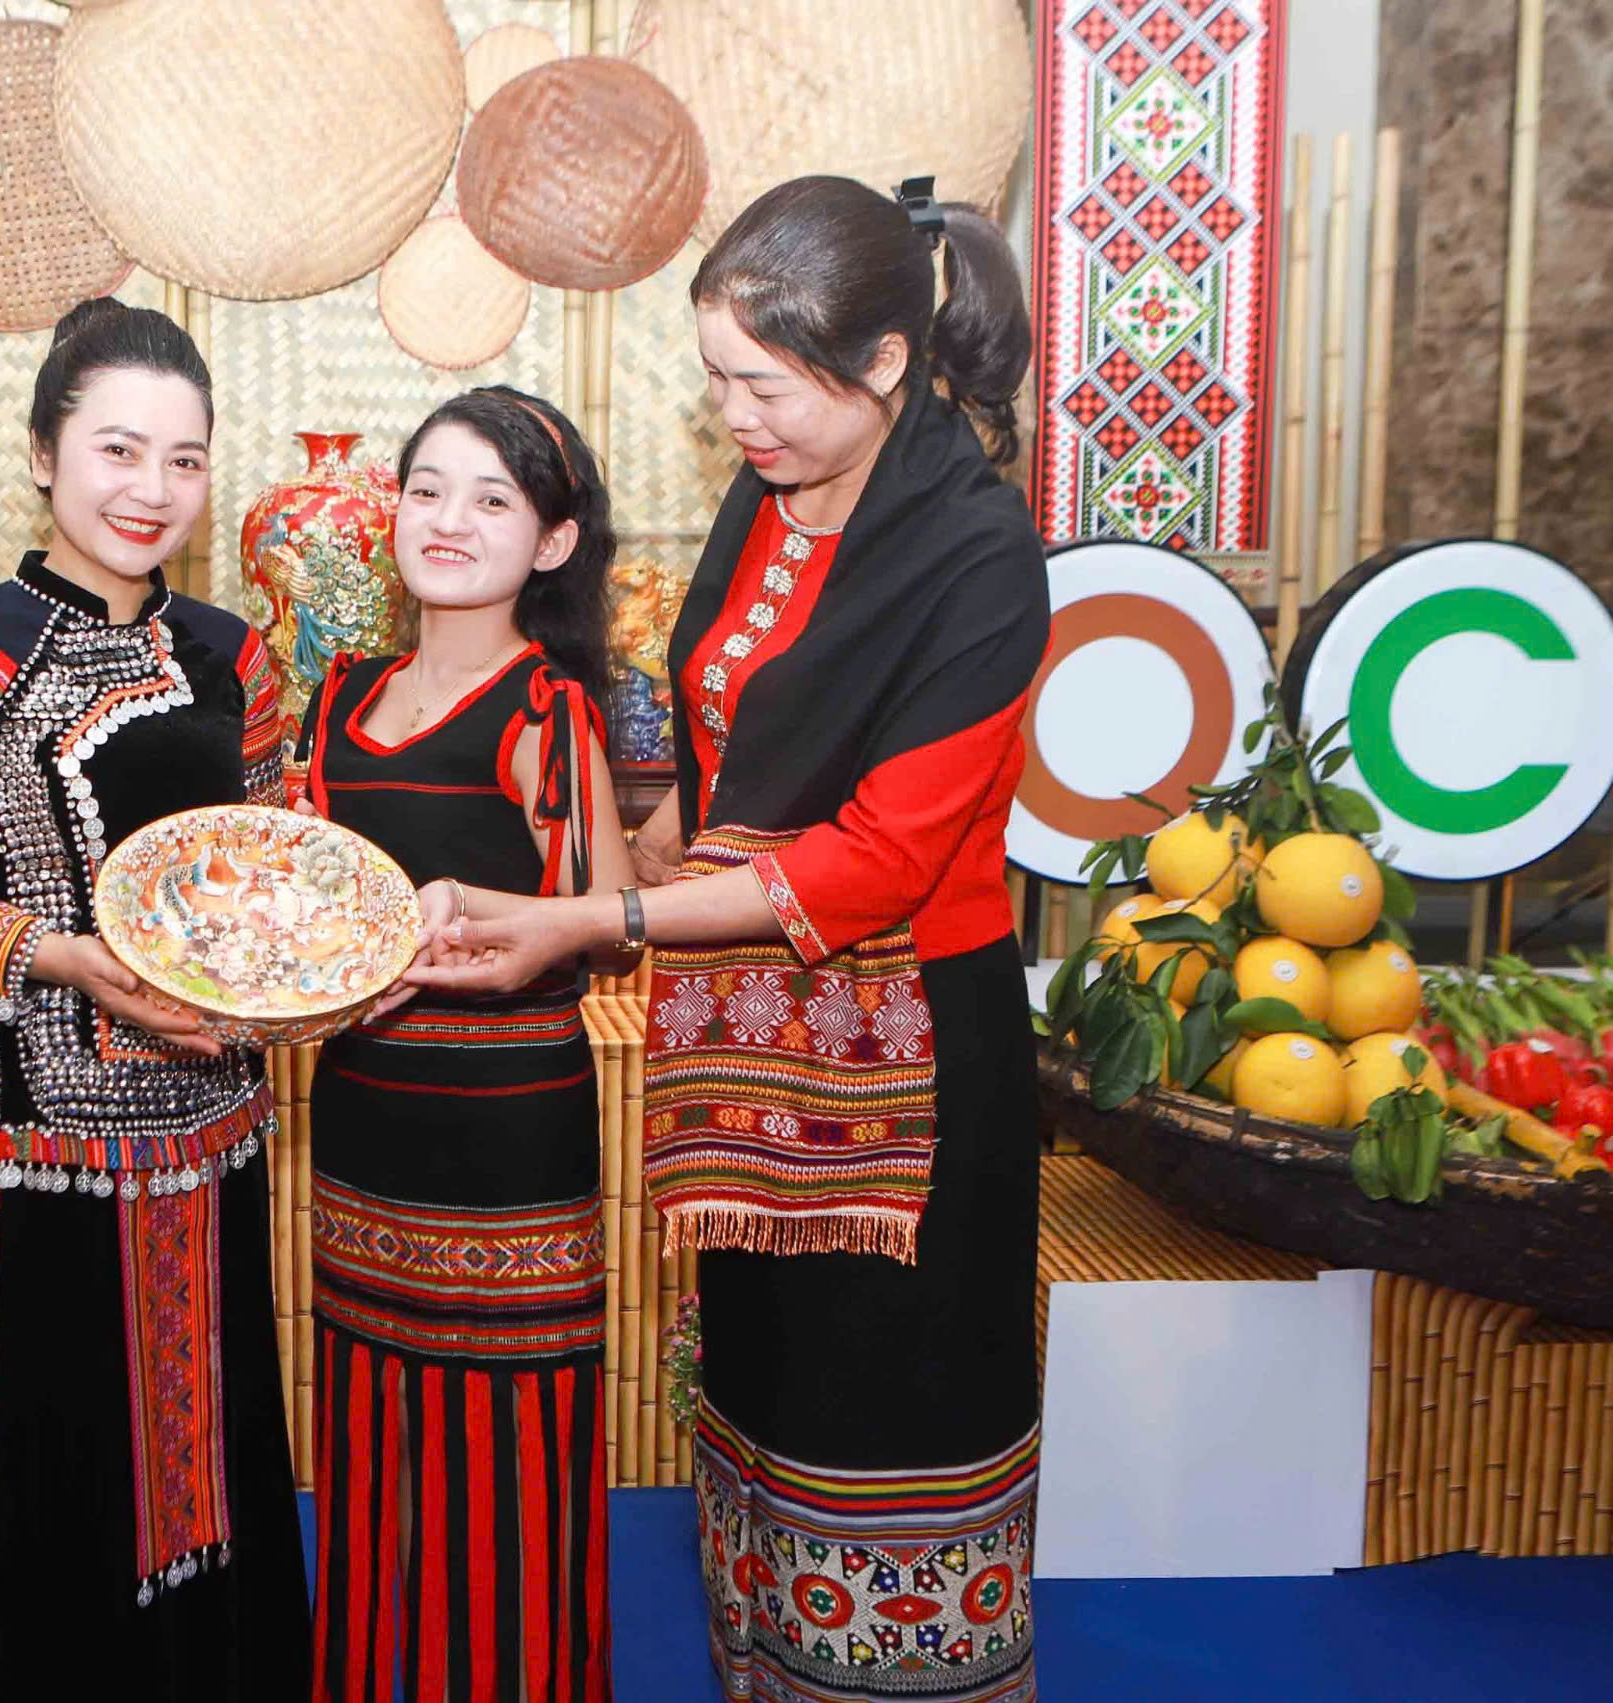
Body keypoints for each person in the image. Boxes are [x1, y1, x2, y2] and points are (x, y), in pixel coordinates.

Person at [407, 177, 1050, 1703]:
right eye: (717, 379)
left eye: (765, 384)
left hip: (910, 1062)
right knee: (764, 1386)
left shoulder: (977, 556)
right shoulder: (774, 494)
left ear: (884, 362)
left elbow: (878, 861)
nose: (734, 416)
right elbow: (722, 748)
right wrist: (603, 859)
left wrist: (599, 917)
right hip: (756, 1045)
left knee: (886, 1401)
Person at [0, 296, 310, 1701]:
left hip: (209, 1131)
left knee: (203, 1457)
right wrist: (54, 954)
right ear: (43, 456)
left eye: (184, 458)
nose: (151, 489)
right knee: (51, 1470)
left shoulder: (234, 655)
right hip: (28, 1142)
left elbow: (274, 861)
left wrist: (291, 966)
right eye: (117, 450)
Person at [291, 388, 633, 1703]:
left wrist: (464, 915)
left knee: (510, 1440)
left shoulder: (548, 708)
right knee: (370, 1426)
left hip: (507, 1138)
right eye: (426, 488)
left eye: (494, 499)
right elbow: (310, 902)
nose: (449, 519)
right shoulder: (338, 698)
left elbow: (606, 925)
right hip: (362, 1117)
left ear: (552, 542)